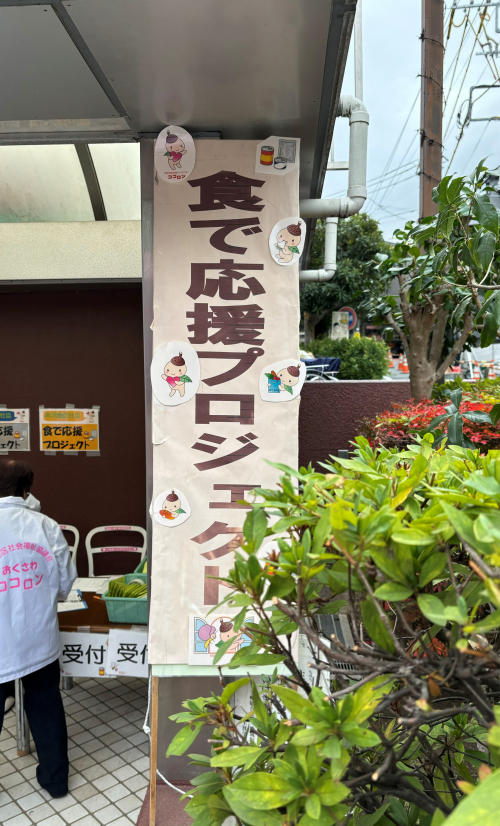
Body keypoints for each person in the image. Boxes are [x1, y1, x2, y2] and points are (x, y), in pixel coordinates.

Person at [0, 458, 76, 798]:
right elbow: (65, 582)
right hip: (38, 635)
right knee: (45, 704)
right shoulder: (45, 526)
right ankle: (55, 781)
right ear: (27, 489)